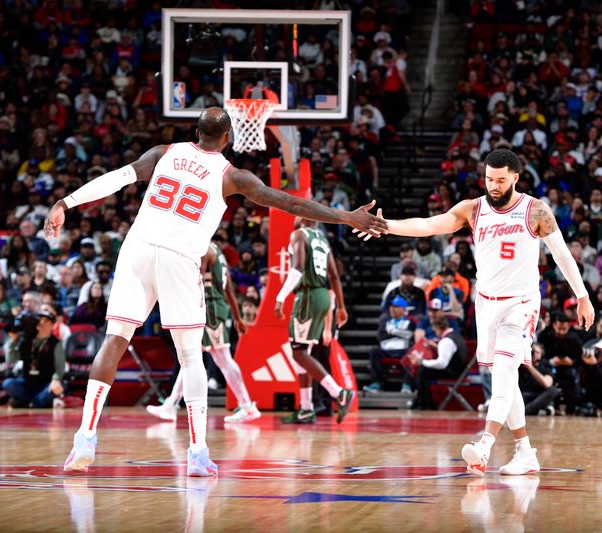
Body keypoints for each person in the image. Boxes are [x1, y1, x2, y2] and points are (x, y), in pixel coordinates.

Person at [46, 107, 386, 476]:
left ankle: (84, 438)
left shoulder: (164, 152)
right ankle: (197, 453)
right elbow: (288, 202)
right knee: (192, 358)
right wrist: (347, 217)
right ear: (228, 138)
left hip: (137, 249)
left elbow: (117, 178)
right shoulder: (231, 176)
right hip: (180, 259)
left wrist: (66, 203)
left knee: (115, 339)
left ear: (196, 131)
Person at [356, 149, 594, 476]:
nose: (492, 186)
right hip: (486, 303)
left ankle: (484, 447)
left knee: (504, 374)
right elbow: (429, 225)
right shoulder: (473, 209)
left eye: (499, 180)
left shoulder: (536, 210)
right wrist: (387, 226)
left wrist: (582, 296)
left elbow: (563, 255)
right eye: (488, 179)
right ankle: (525, 452)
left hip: (521, 303)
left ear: (515, 178)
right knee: (503, 377)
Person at [146, 239, 261, 423]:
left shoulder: (204, 250)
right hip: (215, 308)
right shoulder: (218, 251)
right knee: (198, 357)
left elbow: (193, 283)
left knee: (220, 359)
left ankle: (247, 406)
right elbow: (229, 289)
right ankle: (171, 404)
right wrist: (238, 318)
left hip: (210, 309)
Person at [274, 217, 353, 425]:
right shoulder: (323, 240)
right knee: (303, 352)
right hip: (323, 296)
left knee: (298, 352)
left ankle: (339, 393)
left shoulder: (299, 234)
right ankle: (306, 408)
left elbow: (298, 268)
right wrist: (341, 307)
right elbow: (334, 277)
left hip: (308, 295)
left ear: (304, 217)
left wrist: (280, 297)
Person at [3, 308, 64, 407]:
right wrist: (13, 340)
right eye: (40, 319)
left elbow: (60, 368)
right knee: (8, 383)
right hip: (27, 382)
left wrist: (56, 380)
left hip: (46, 382)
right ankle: (37, 402)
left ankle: (26, 402)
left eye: (46, 320)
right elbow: (10, 360)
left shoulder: (56, 343)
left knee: (60, 385)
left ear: (53, 325)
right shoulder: (26, 340)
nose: (42, 322)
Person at [408, 316, 467, 409]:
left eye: (435, 330)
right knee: (425, 371)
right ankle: (426, 402)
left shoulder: (446, 341)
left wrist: (421, 361)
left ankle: (424, 404)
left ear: (438, 329)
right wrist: (436, 347)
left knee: (423, 372)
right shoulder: (455, 336)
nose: (435, 332)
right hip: (459, 370)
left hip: (453, 372)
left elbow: (441, 364)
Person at [364, 296, 416, 393]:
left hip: (402, 349)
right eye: (391, 306)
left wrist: (393, 331)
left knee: (411, 353)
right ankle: (375, 383)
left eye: (395, 306)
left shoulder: (409, 322)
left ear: (403, 309)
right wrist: (400, 333)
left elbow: (410, 335)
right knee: (374, 351)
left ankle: (407, 385)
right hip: (387, 349)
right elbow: (383, 336)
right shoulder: (386, 321)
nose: (392, 309)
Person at [519, 343, 561, 416]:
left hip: (538, 396)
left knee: (553, 390)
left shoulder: (545, 365)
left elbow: (547, 384)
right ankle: (540, 411)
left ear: (541, 354)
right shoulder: (519, 364)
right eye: (532, 351)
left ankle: (526, 411)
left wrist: (530, 367)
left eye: (537, 352)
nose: (534, 354)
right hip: (523, 395)